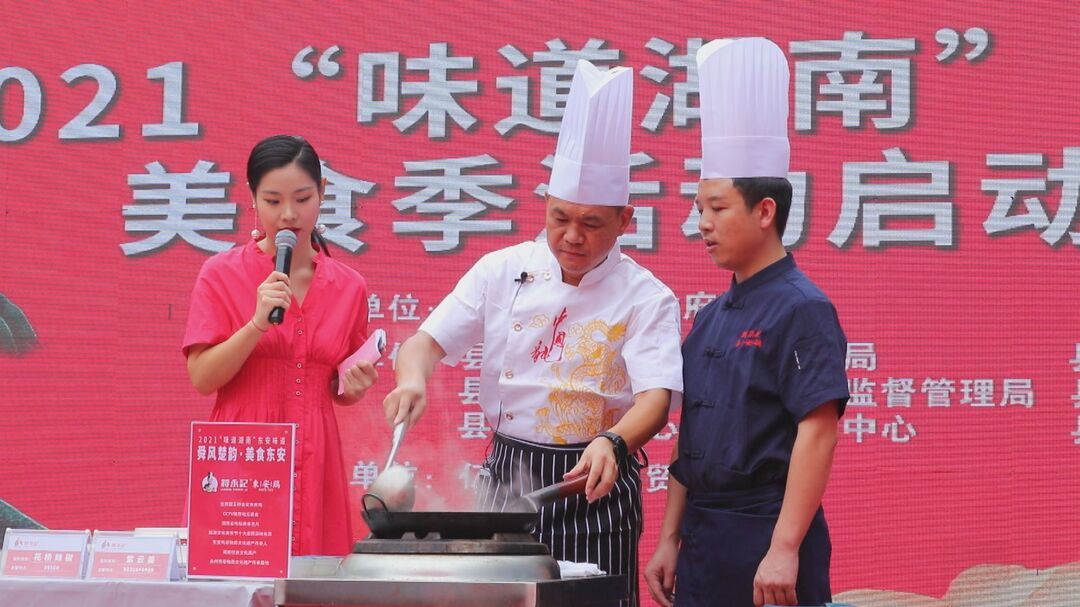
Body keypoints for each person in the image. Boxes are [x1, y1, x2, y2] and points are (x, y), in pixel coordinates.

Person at [384, 61, 683, 607]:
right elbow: (424, 344)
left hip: (595, 482)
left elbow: (656, 401)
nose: (571, 236)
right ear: (544, 204)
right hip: (507, 478)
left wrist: (614, 441)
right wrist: (412, 379)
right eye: (559, 217)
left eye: (592, 224)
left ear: (626, 220)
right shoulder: (502, 269)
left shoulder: (647, 296)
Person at [644, 38, 850, 607]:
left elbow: (818, 430)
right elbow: (690, 442)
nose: (702, 224)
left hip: (767, 536)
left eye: (716, 208)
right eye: (698, 210)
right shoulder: (709, 319)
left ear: (765, 212)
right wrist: (668, 539)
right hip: (703, 542)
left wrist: (785, 547)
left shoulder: (801, 307)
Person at [183, 135, 378, 556]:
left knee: (314, 580)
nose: (288, 215)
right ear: (252, 199)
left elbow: (336, 386)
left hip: (316, 452)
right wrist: (256, 323)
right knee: (239, 575)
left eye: (302, 198)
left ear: (323, 192)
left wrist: (353, 387)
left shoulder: (349, 286)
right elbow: (201, 378)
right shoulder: (220, 273)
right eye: (272, 201)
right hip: (242, 454)